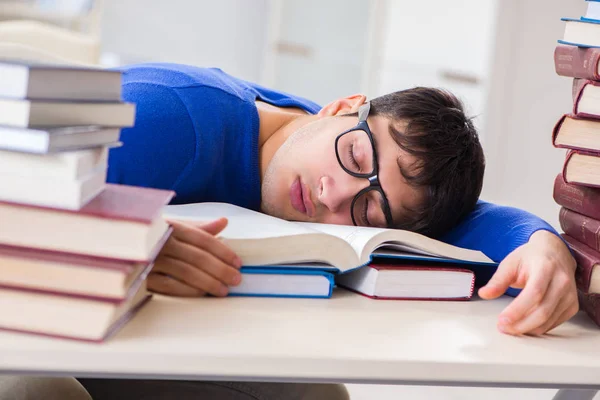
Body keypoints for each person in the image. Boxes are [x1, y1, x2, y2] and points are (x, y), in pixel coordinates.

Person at [1, 63, 577, 400]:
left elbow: (474, 219)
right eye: (354, 156)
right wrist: (117, 248)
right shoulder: (166, 122)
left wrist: (541, 243)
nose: (333, 194)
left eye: (368, 213)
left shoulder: (316, 140)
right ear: (342, 107)